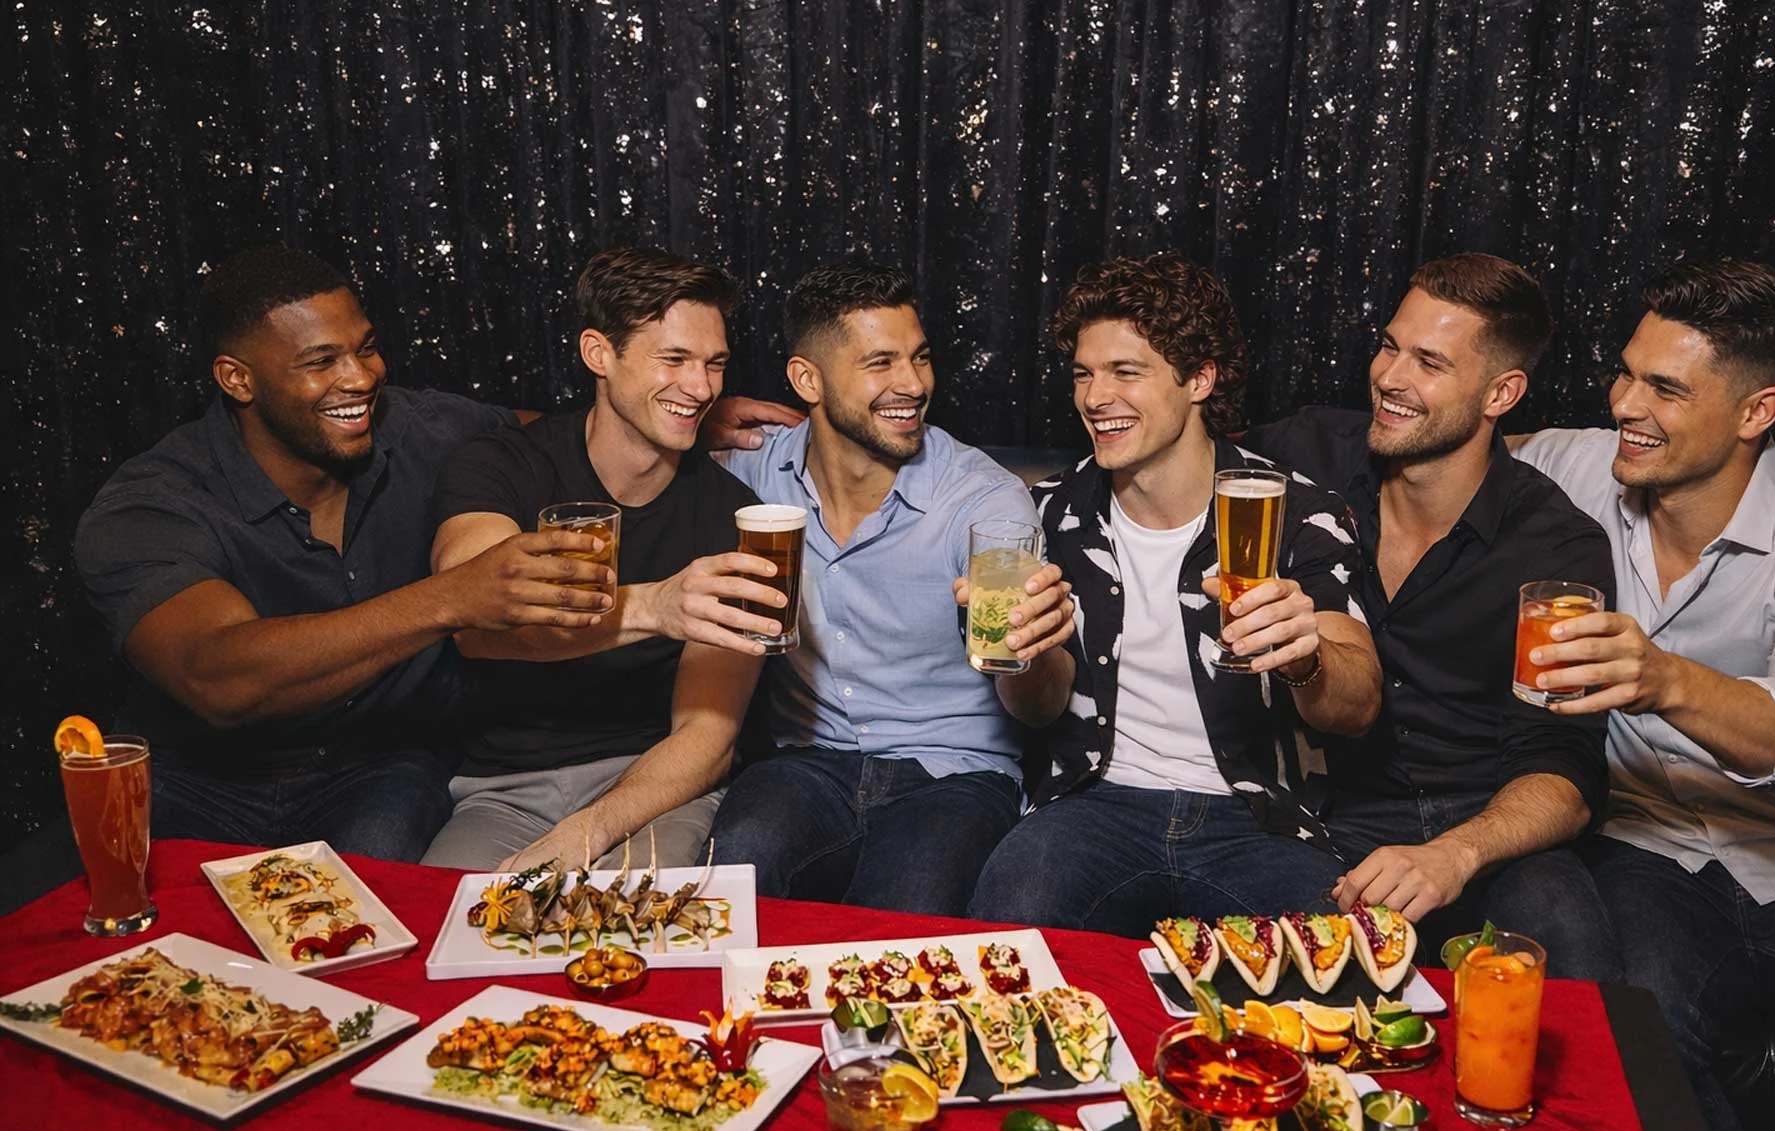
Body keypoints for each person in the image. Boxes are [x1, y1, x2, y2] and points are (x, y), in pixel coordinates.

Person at [1513, 260, 1775, 1131]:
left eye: (1664, 388)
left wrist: (1662, 680)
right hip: (1645, 852)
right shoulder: (1579, 466)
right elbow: (1459, 442)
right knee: (1635, 1061)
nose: (1625, 405)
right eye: (1624, 373)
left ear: (1756, 411)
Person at [73, 245, 615, 860]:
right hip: (199, 778)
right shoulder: (151, 503)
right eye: (320, 361)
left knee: (379, 903)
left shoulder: (424, 431)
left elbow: (562, 438)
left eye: (365, 347)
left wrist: (681, 421)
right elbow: (219, 677)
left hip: (380, 767)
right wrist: (452, 598)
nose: (360, 377)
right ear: (238, 379)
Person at [966, 253, 1380, 936]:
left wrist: (1306, 658)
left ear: (1199, 379)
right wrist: (1026, 649)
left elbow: (1359, 704)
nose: (1095, 397)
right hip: (1092, 806)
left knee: (1337, 975)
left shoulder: (1292, 511)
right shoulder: (1047, 515)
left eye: (1126, 372)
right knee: (1004, 937)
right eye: (1083, 373)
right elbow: (1037, 711)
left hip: (1255, 820)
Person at [1244, 253, 1622, 980]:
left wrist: (1458, 853)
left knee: (1571, 963)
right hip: (1324, 813)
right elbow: (1171, 456)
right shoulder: (1306, 453)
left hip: (1488, 828)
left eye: (1429, 362)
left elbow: (1564, 769)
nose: (1389, 377)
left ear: (1500, 393)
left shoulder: (1553, 544)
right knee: (1289, 988)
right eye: (1389, 345)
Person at [704, 261, 1076, 915]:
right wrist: (698, 417)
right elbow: (621, 454)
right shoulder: (751, 473)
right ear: (806, 379)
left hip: (954, 774)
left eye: (921, 358)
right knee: (732, 883)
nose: (913, 384)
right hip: (807, 762)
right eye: (881, 363)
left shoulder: (984, 503)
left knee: (902, 927)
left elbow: (1038, 709)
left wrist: (1033, 649)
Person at [422, 247, 777, 873]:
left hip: (654, 788)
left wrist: (591, 831)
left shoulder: (731, 513)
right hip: (504, 792)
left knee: (634, 938)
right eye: (673, 360)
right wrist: (655, 607)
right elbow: (474, 626)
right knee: (450, 938)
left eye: (714, 364)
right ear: (599, 354)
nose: (700, 389)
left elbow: (707, 737)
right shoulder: (501, 467)